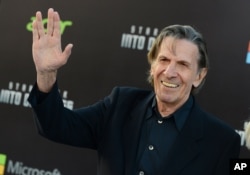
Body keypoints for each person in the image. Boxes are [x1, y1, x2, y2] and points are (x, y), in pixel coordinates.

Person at [28, 8, 241, 175]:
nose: (170, 72)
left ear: (199, 76)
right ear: (153, 64)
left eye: (183, 64)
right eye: (164, 60)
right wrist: (45, 73)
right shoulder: (120, 105)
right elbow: (56, 126)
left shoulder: (221, 141)